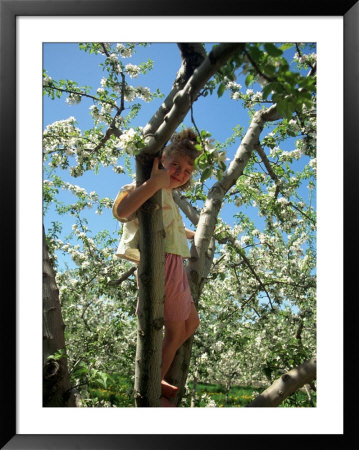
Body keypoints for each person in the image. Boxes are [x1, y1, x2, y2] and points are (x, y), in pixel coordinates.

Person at [112, 129, 201, 402]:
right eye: (175, 165)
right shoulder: (148, 187)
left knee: (192, 323)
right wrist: (153, 183)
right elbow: (121, 211)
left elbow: (172, 226)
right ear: (162, 159)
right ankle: (155, 379)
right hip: (162, 263)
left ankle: (159, 373)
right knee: (175, 330)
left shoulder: (169, 196)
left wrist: (195, 235)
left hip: (175, 263)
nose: (180, 173)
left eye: (187, 170)